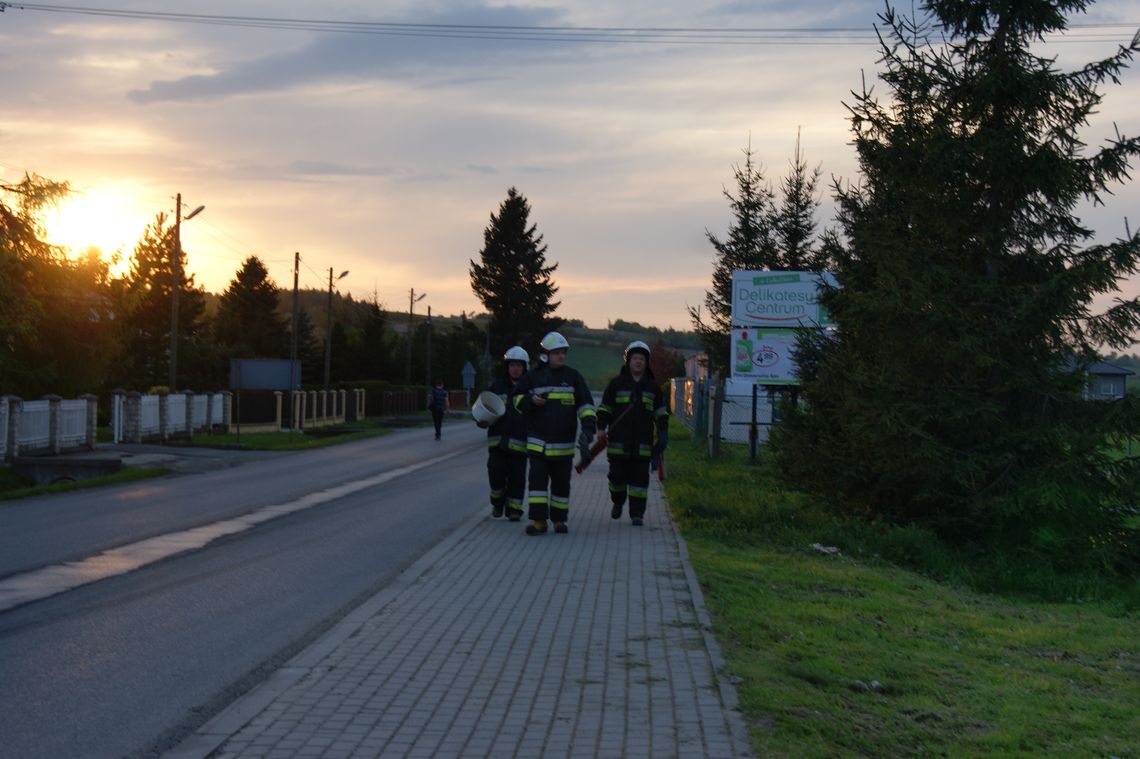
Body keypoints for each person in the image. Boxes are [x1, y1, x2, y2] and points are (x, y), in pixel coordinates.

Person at [513, 331, 596, 535]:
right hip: (538, 445)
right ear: (545, 355)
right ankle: (539, 522)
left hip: (563, 446)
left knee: (561, 486)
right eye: (556, 353)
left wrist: (587, 429)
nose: (561, 356)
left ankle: (559, 521)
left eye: (563, 353)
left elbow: (586, 405)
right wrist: (530, 401)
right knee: (537, 485)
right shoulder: (532, 377)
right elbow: (516, 401)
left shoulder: (573, 377)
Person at [597, 340, 669, 526]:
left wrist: (663, 433)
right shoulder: (616, 384)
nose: (638, 362)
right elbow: (605, 409)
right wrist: (600, 428)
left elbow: (661, 413)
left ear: (646, 363)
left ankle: (637, 514)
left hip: (642, 445)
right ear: (628, 361)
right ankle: (618, 501)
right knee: (616, 478)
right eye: (635, 358)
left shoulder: (653, 388)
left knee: (639, 481)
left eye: (642, 359)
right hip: (617, 444)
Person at [484, 346, 530, 521]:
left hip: (520, 444)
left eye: (519, 365)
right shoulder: (496, 386)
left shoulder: (530, 387)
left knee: (517, 479)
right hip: (498, 444)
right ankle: (497, 502)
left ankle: (514, 510)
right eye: (512, 365)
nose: (515, 369)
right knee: (495, 472)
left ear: (524, 367)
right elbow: (484, 404)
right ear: (507, 366)